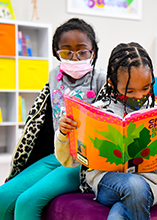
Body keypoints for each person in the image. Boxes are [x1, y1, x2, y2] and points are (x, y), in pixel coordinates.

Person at [55, 42, 157, 220]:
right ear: (111, 83)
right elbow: (70, 161)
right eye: (130, 90)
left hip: (151, 186)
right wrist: (64, 134)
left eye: (145, 88)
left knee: (119, 213)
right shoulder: (97, 111)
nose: (139, 96)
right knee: (133, 185)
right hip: (108, 183)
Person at [0, 18, 106, 220]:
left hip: (84, 162)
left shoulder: (102, 78)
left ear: (94, 52)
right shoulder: (54, 75)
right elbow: (42, 120)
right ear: (56, 52)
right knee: (3, 196)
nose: (74, 58)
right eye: (66, 52)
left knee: (26, 202)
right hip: (58, 154)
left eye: (82, 52)